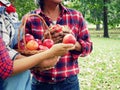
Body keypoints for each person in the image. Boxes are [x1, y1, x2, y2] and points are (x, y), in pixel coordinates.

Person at [24, 0, 93, 90]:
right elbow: (25, 54)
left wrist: (72, 43)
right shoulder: (30, 19)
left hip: (69, 83)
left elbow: (88, 47)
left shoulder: (76, 16)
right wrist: (45, 42)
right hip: (40, 83)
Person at [0, 35, 75, 89]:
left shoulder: (8, 16)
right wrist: (50, 53)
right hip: (38, 80)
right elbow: (5, 68)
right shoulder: (31, 18)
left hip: (68, 80)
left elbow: (9, 52)